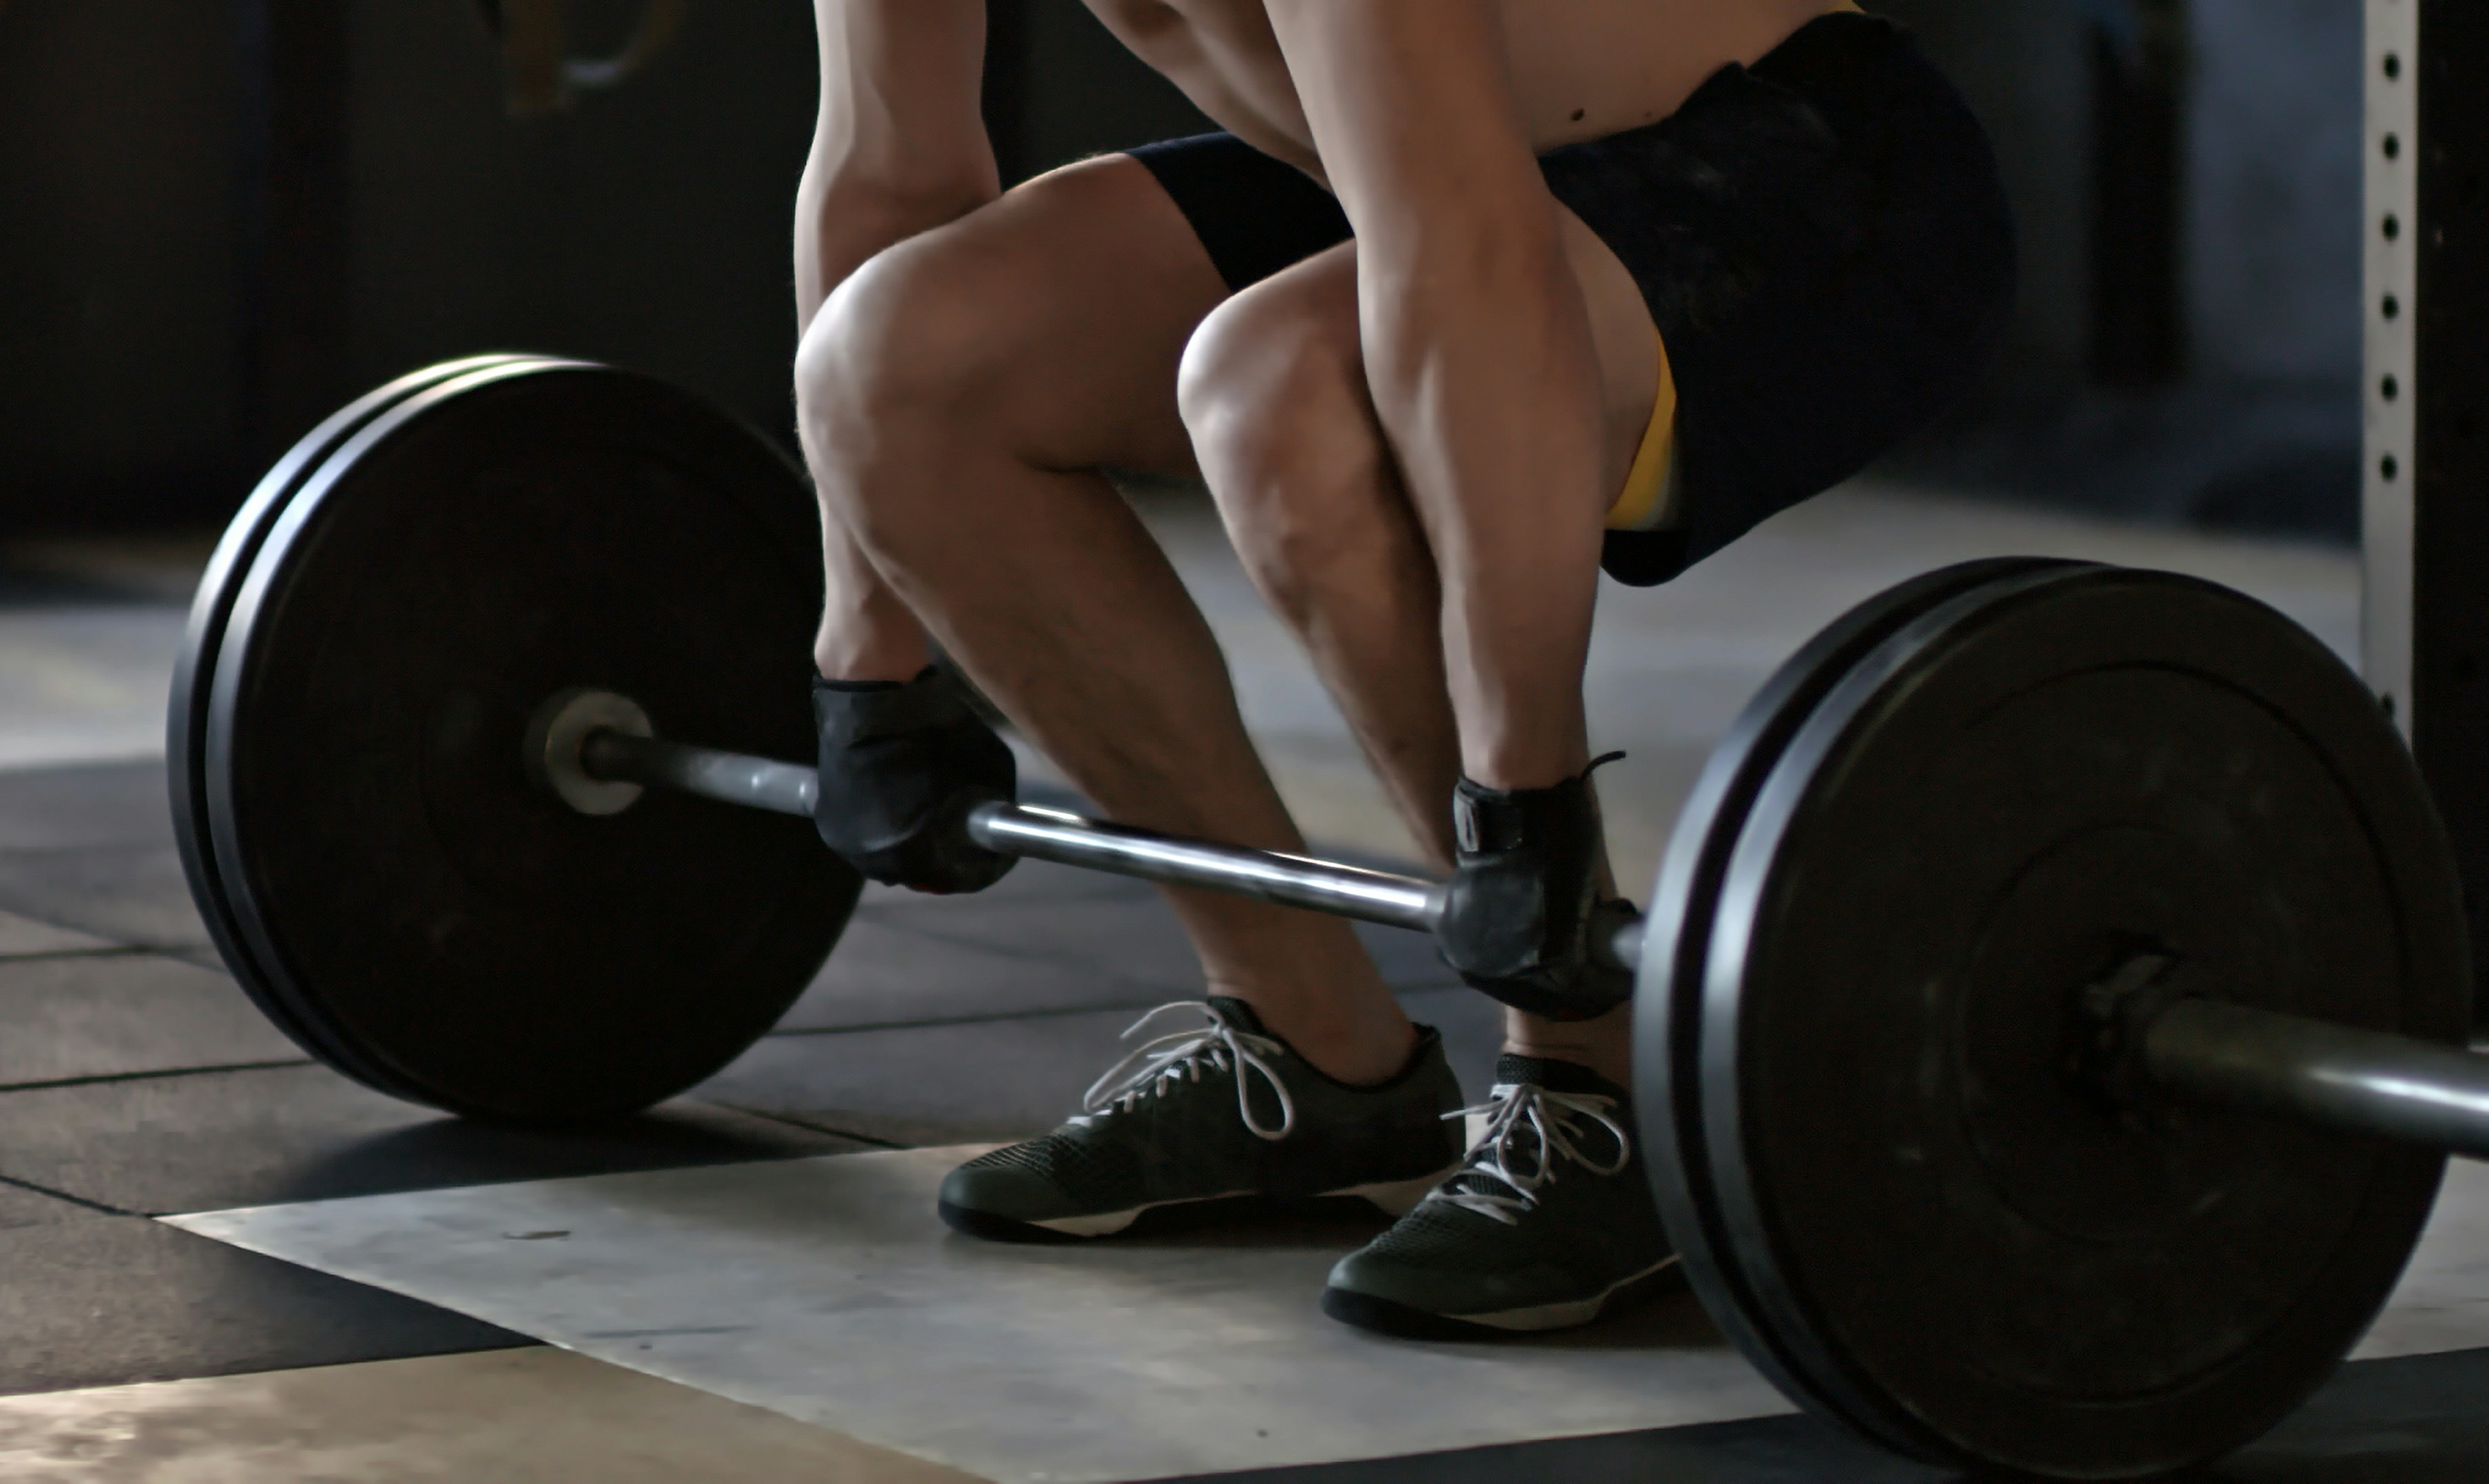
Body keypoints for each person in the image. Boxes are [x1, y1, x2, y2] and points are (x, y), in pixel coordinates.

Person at [794, 0, 2014, 1337]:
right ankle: (1311, 1057)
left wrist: (1522, 796)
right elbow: (892, 164)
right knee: (893, 365)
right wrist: (870, 652)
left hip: (1797, 179)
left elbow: (1467, 250)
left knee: (1281, 395)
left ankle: (1591, 1094)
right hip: (1414, 181)